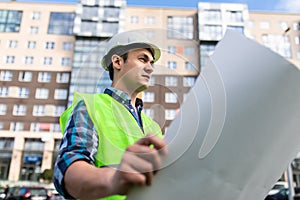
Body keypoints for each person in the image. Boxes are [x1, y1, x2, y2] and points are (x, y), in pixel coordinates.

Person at [53, 31, 168, 200]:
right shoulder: (91, 106)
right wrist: (114, 179)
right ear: (117, 62)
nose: (150, 68)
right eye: (143, 59)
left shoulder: (153, 127)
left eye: (152, 63)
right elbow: (66, 168)